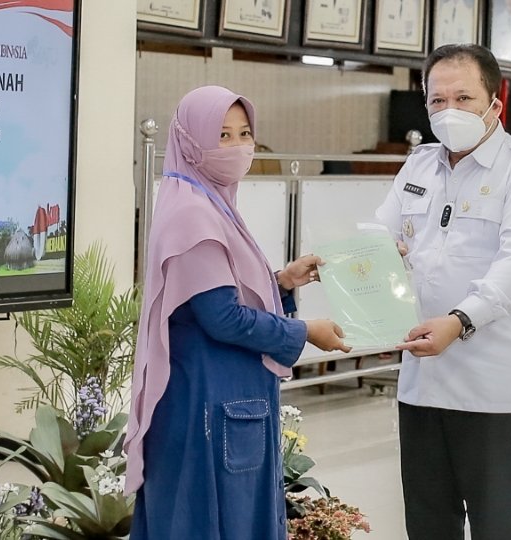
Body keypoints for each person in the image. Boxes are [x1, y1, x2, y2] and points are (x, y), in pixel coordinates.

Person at [124, 86, 350, 539]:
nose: (237, 147)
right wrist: (304, 331)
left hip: (219, 400)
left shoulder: (207, 201)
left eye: (244, 133)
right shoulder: (193, 213)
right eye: (222, 135)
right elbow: (222, 317)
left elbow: (211, 297)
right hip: (207, 405)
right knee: (211, 521)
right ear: (190, 141)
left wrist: (281, 281)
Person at [374, 44, 511, 540]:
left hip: (490, 382)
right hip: (421, 376)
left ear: (495, 103)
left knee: (495, 520)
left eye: (464, 98)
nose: (449, 110)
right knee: (427, 518)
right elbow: (381, 236)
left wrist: (458, 323)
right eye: (438, 100)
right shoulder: (419, 165)